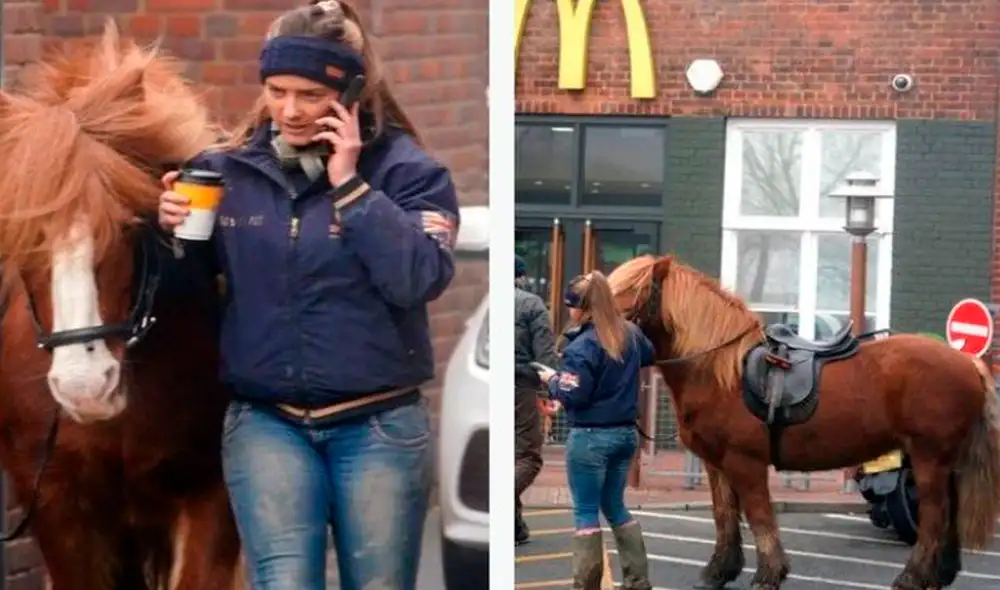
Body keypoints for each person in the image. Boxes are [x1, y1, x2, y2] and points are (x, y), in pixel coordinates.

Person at [156, 1, 459, 588]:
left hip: (378, 428)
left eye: (309, 95)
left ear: (347, 93)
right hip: (268, 424)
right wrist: (171, 235)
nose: (289, 111)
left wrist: (351, 188)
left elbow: (420, 278)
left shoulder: (410, 174)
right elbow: (189, 299)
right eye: (276, 90)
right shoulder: (224, 173)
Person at [535, 272, 656, 590]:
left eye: (570, 306)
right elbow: (650, 354)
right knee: (615, 506)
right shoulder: (629, 333)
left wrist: (552, 380)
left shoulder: (582, 346)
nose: (568, 312)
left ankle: (586, 585)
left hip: (589, 438)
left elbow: (575, 393)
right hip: (625, 436)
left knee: (586, 512)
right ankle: (638, 580)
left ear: (582, 308)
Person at [514, 255, 558, 545]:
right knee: (528, 457)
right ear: (520, 275)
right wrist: (555, 390)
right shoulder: (531, 304)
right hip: (520, 386)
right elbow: (544, 358)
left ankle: (514, 526)